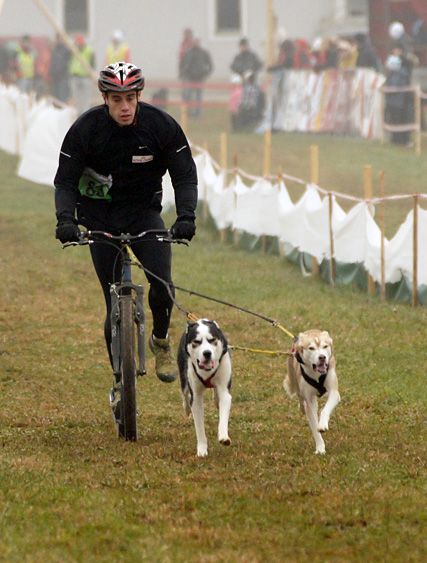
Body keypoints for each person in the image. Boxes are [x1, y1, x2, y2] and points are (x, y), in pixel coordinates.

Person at [54, 61, 197, 386]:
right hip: (99, 218)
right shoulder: (85, 129)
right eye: (117, 99)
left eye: (130, 98)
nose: (125, 106)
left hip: (143, 215)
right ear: (105, 98)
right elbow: (64, 182)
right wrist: (66, 220)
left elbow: (185, 175)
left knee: (163, 285)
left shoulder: (160, 126)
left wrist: (186, 216)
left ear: (139, 95)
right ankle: (121, 379)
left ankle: (159, 340)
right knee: (112, 298)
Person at [179, 38, 213, 118]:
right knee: (188, 96)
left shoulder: (203, 53)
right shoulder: (188, 52)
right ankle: (188, 113)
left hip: (200, 78)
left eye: (197, 42)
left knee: (199, 97)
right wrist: (183, 73)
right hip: (189, 78)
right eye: (194, 42)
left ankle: (198, 114)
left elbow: (210, 64)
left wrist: (206, 73)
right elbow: (183, 63)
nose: (195, 44)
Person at [69, 34, 95, 115]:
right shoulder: (73, 50)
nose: (78, 45)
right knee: (77, 97)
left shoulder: (89, 51)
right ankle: (78, 113)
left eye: (79, 44)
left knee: (86, 98)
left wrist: (91, 75)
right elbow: (70, 61)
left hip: (85, 77)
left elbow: (93, 63)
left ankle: (85, 114)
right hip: (75, 76)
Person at [49, 34, 71, 103]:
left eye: (60, 39)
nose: (58, 40)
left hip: (63, 77)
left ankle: (63, 109)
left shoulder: (65, 50)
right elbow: (53, 62)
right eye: (57, 39)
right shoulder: (55, 49)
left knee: (63, 96)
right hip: (55, 77)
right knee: (56, 96)